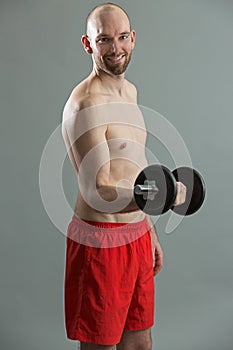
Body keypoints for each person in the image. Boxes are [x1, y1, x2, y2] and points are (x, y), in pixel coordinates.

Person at [62, 3, 186, 350]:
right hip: (101, 239)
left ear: (133, 39)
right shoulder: (87, 103)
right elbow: (96, 187)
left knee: (139, 342)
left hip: (135, 234)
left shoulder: (129, 92)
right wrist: (162, 196)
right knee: (101, 345)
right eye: (103, 40)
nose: (115, 48)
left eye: (122, 37)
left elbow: (132, 166)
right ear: (88, 45)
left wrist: (149, 230)